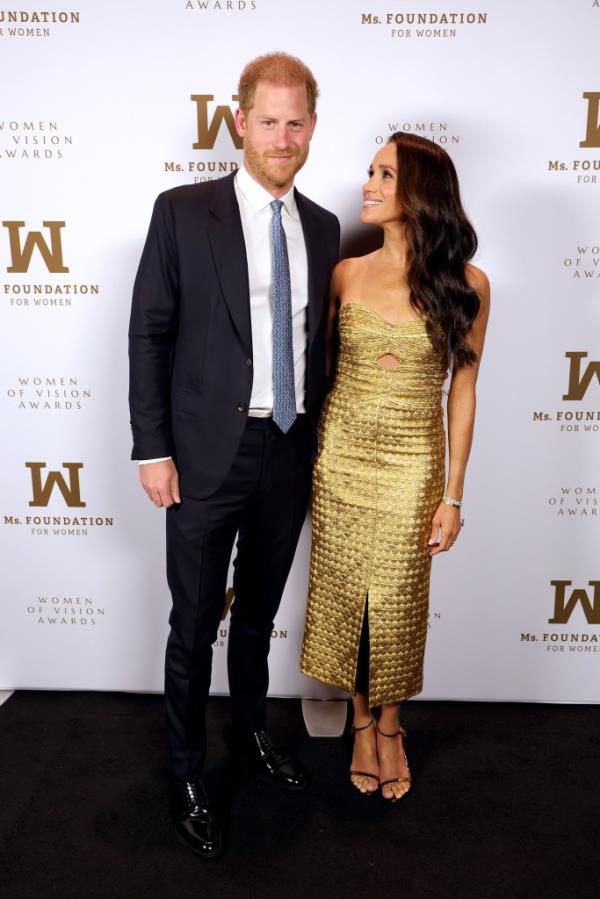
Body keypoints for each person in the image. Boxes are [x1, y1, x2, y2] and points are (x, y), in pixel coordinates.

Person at [128, 52, 340, 857]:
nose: (281, 137)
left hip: (287, 449)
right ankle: (186, 772)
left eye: (296, 122)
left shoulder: (321, 226)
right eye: (268, 120)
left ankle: (250, 737)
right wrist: (154, 448)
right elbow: (149, 332)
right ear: (240, 122)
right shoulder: (183, 212)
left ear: (312, 127)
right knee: (193, 625)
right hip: (203, 455)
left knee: (256, 616)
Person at [300, 132, 490, 802]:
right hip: (343, 454)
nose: (368, 184)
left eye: (385, 174)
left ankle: (391, 725)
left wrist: (454, 494)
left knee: (399, 601)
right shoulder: (346, 272)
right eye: (370, 171)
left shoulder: (467, 285)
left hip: (414, 459)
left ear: (420, 193)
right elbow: (316, 371)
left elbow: (462, 389)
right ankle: (357, 720)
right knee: (349, 594)